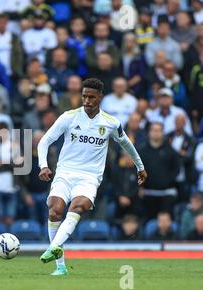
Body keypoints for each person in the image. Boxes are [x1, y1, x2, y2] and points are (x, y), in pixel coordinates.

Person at [37, 78, 147, 276]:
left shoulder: (111, 123)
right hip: (65, 172)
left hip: (89, 177)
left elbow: (127, 145)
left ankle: (53, 246)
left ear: (100, 98)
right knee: (55, 210)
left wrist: (140, 166)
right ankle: (60, 266)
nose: (86, 100)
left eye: (91, 97)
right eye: (84, 96)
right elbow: (44, 141)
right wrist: (43, 165)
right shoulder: (68, 117)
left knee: (78, 206)